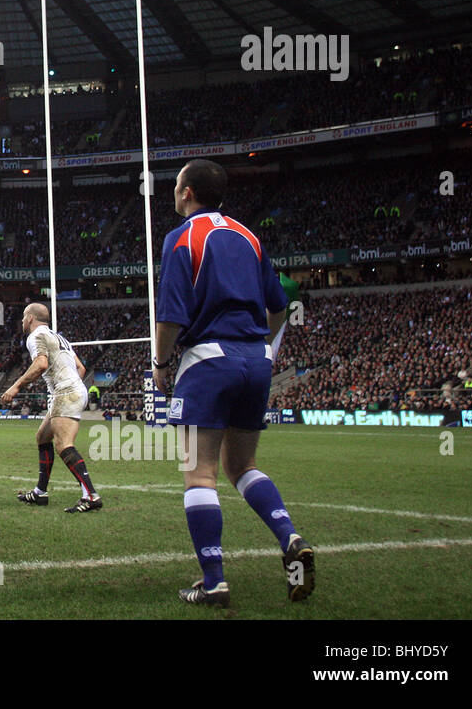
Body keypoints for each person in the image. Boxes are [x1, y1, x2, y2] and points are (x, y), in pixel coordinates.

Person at [154, 158, 313, 607]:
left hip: (207, 360)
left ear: (187, 193)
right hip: (256, 359)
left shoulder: (182, 237)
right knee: (242, 466)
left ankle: (214, 580)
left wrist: (162, 363)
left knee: (199, 472)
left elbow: (170, 315)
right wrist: (264, 347)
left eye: (175, 184)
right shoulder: (248, 236)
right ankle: (290, 538)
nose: (172, 191)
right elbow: (278, 306)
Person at [0, 303, 102, 511]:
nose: (21, 321)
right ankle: (40, 492)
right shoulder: (59, 337)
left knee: (64, 444)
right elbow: (80, 368)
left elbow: (41, 364)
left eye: (23, 317)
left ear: (30, 319)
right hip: (72, 390)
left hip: (66, 392)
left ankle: (91, 495)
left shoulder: (35, 337)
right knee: (42, 437)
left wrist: (16, 386)